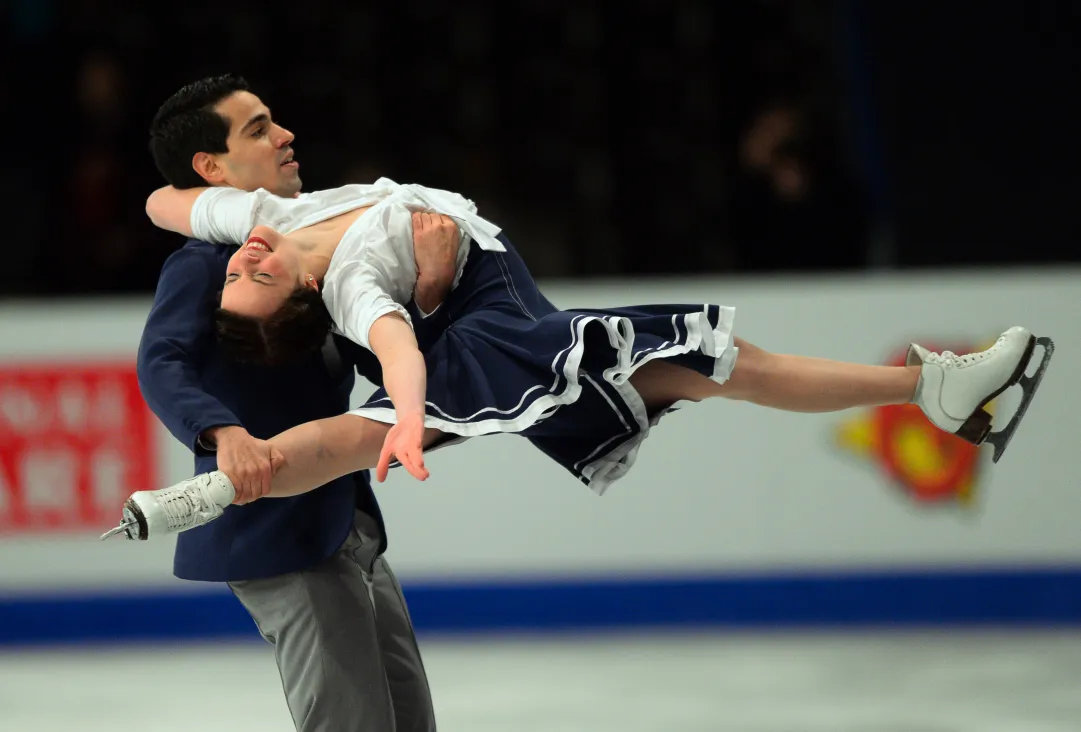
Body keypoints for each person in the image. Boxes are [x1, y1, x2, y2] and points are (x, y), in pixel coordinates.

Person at [112, 157, 1053, 540]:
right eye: (248, 277)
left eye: (235, 263)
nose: (243, 258)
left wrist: (192, 201)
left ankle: (932, 388)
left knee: (725, 366)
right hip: (494, 325)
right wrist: (405, 420)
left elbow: (162, 203)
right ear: (300, 298)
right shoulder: (351, 285)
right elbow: (398, 355)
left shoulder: (266, 215)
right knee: (719, 361)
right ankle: (202, 491)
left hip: (494, 317)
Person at [130, 74, 454, 732]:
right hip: (279, 538)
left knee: (408, 720)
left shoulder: (307, 251)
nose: (284, 137)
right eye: (258, 129)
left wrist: (432, 287)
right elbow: (160, 361)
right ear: (211, 168)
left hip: (346, 524)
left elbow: (382, 356)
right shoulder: (207, 264)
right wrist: (224, 433)